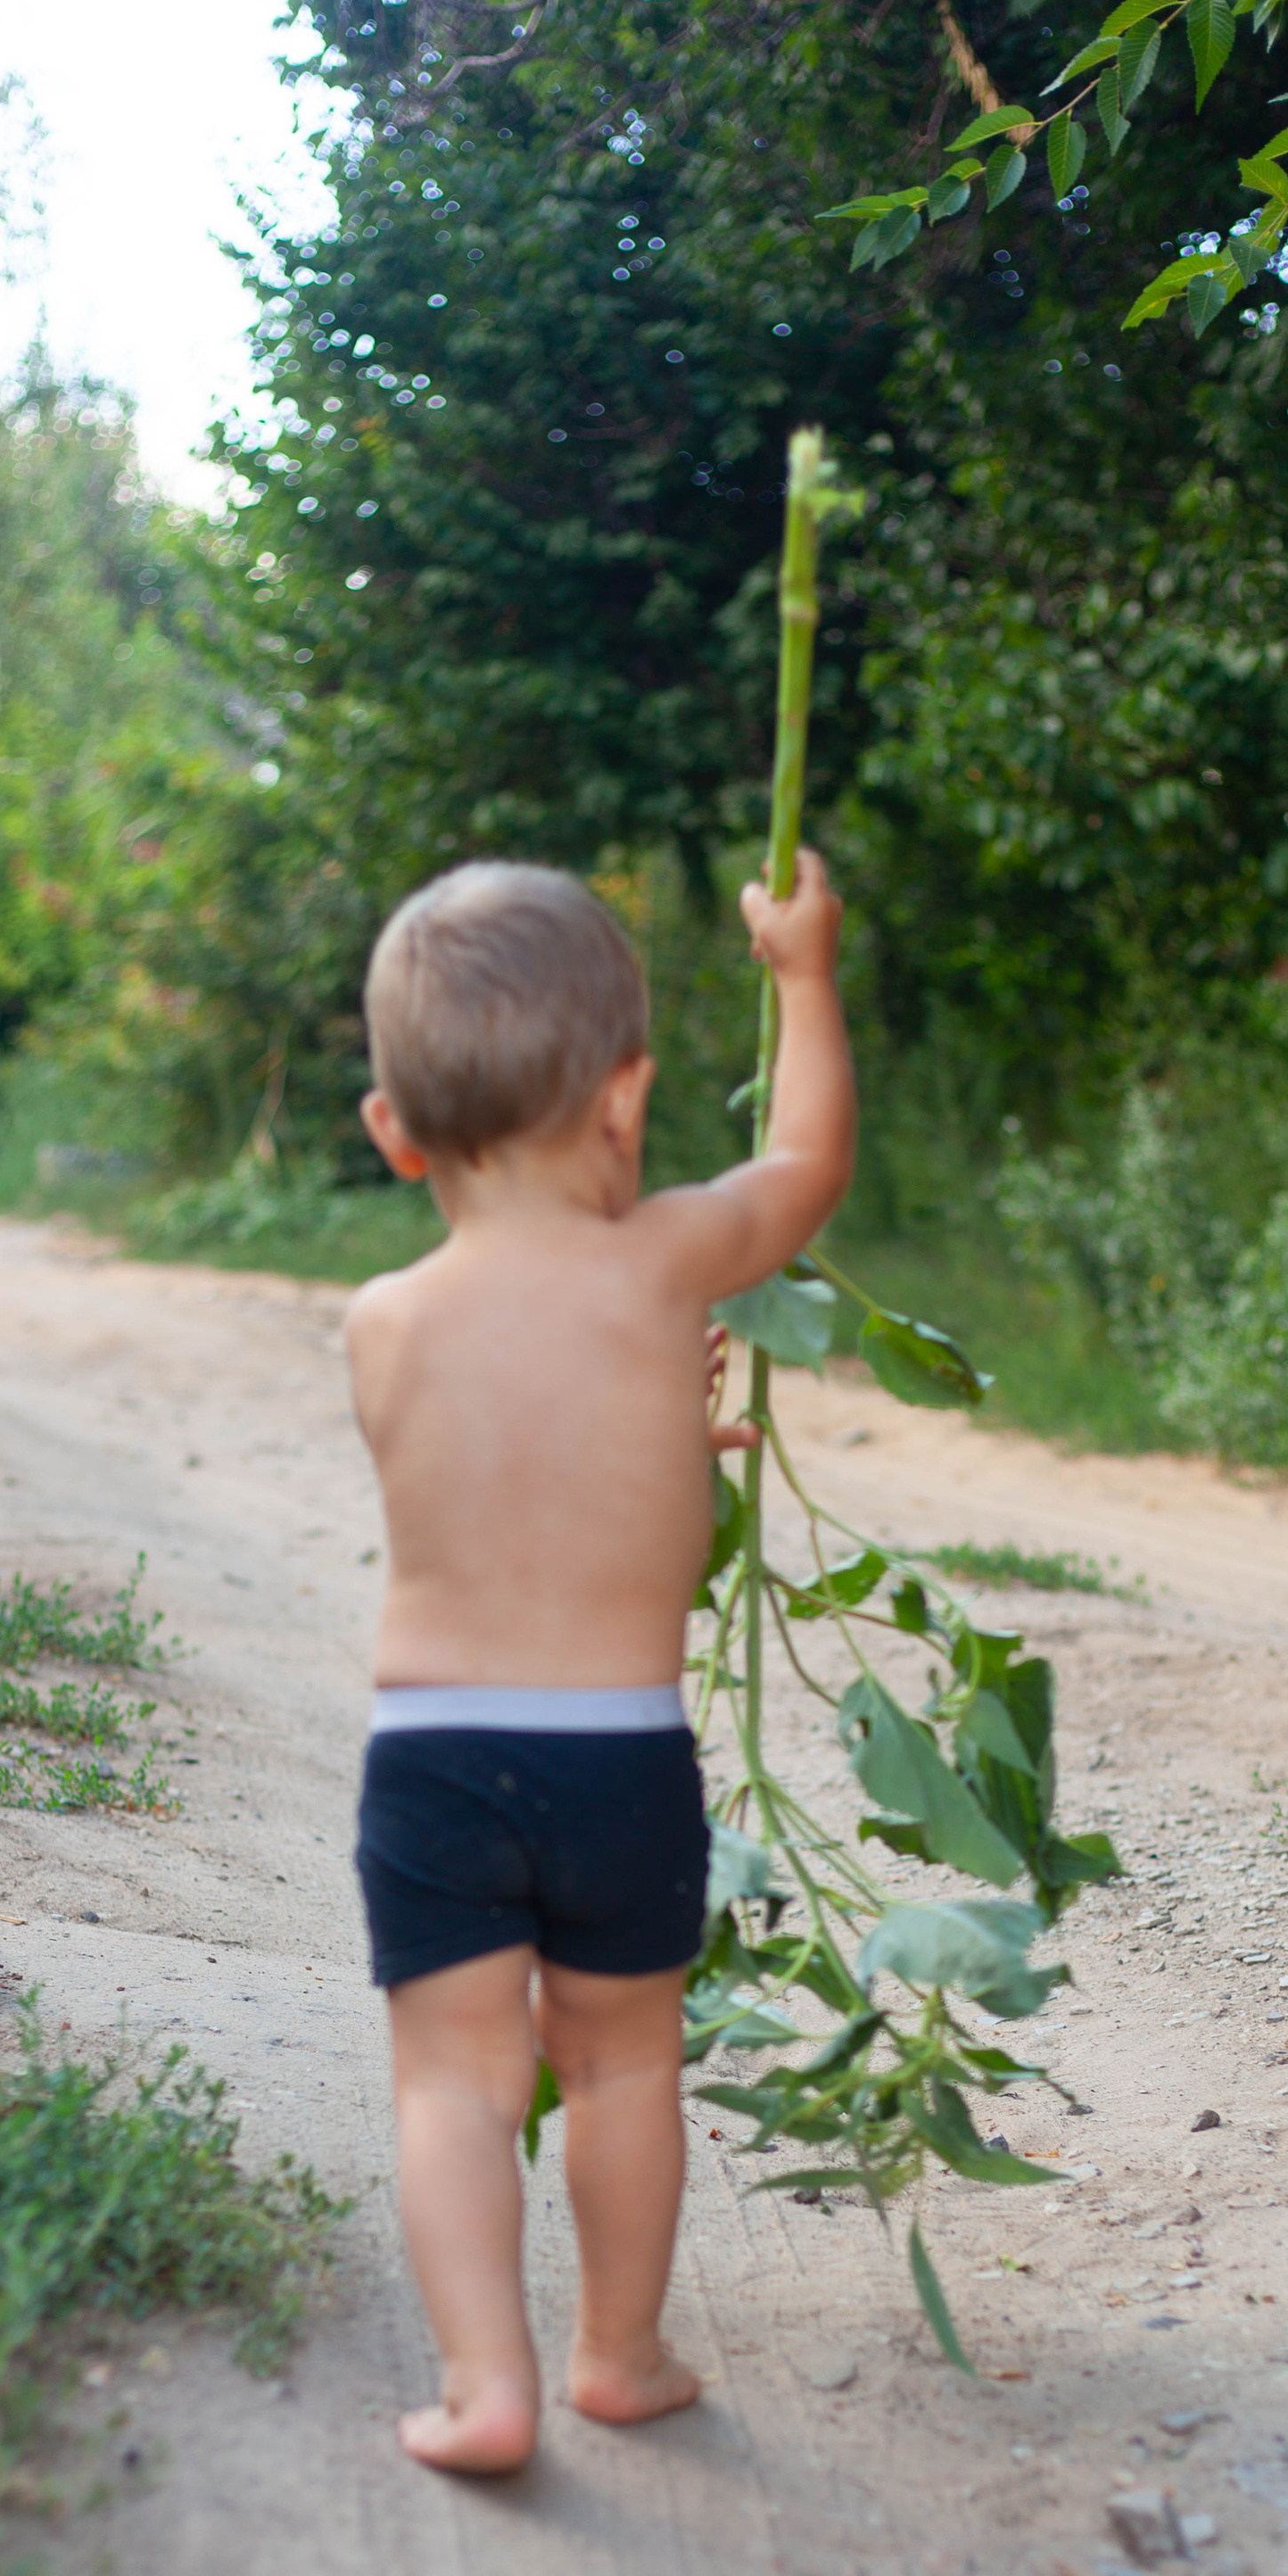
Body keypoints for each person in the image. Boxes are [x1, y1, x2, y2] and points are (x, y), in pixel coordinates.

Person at [344, 849, 855, 2473]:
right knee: (626, 2062)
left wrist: (643, 1431)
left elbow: (493, 1479)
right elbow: (805, 1167)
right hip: (618, 1757)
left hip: (430, 1755)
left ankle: (482, 2388)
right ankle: (618, 2359)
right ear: (628, 1103)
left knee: (454, 2082)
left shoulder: (383, 1322)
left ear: (392, 1134)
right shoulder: (665, 1269)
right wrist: (802, 972)